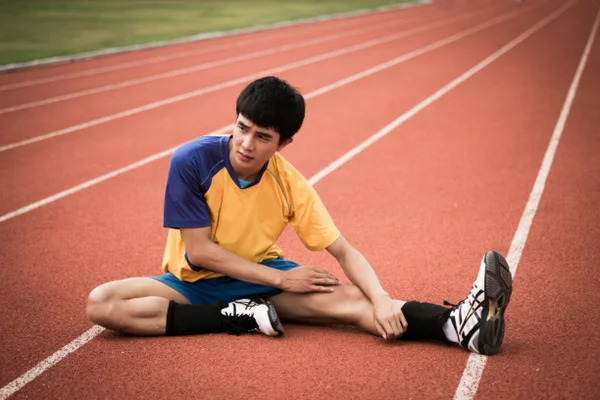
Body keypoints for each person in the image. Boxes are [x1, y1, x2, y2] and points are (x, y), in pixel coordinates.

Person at [87, 76, 512, 355]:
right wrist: (279, 279)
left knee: (352, 302)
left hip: (259, 276)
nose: (246, 144)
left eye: (262, 136)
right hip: (193, 282)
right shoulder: (191, 161)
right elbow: (199, 252)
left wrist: (381, 298)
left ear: (284, 142)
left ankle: (457, 326)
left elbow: (343, 251)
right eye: (241, 127)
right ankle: (237, 316)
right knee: (103, 303)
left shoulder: (290, 184)